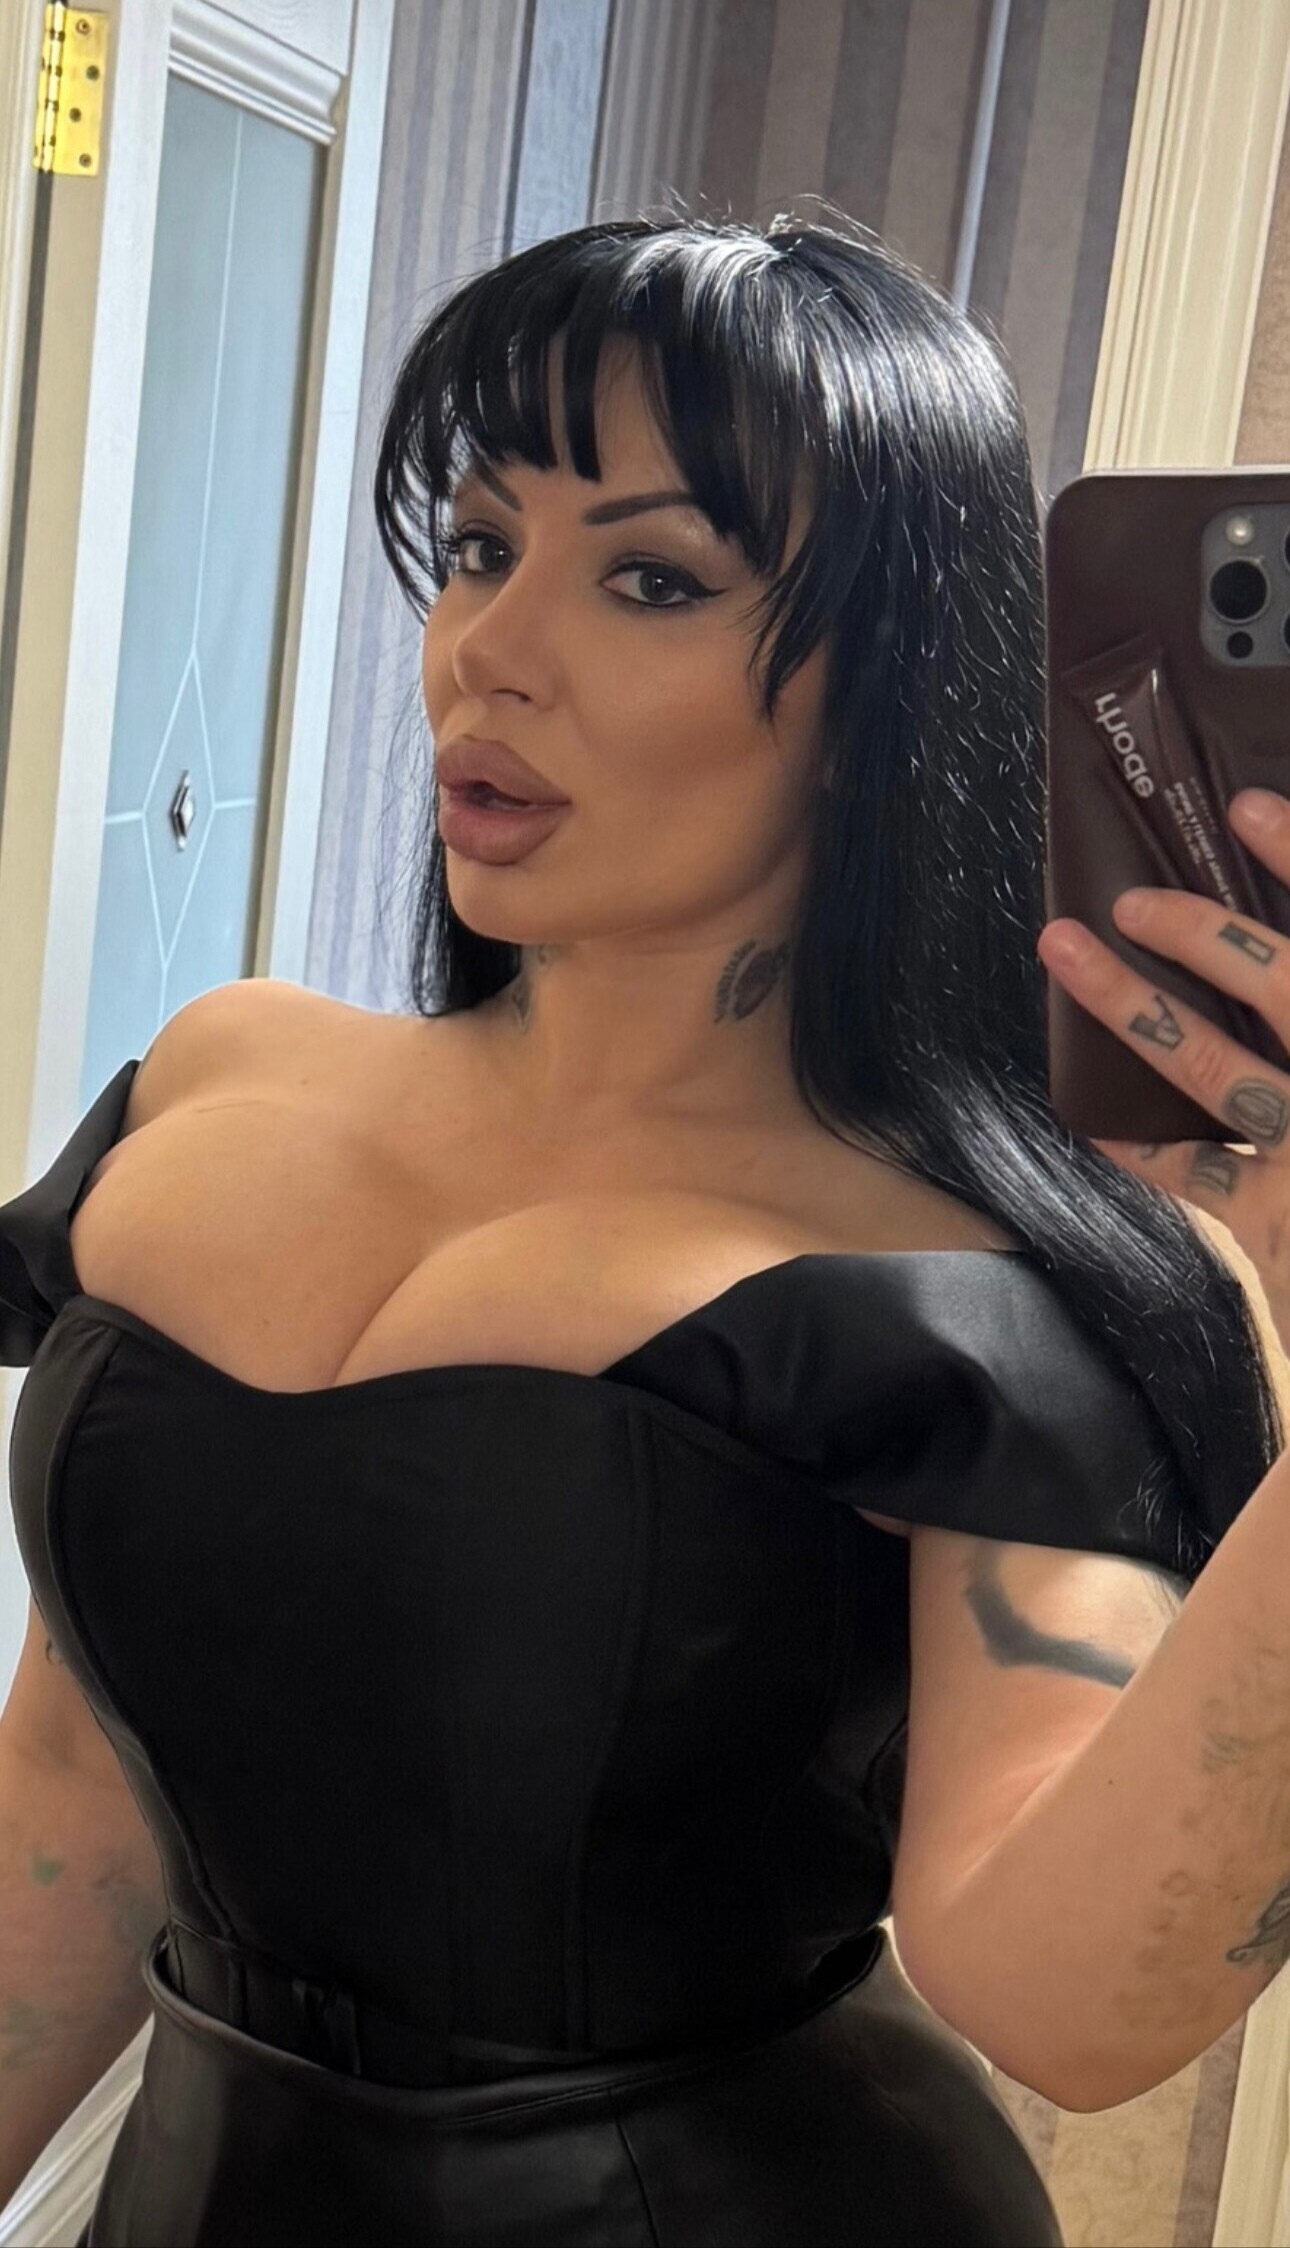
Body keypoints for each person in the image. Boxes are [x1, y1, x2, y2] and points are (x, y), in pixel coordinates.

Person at [2, 205, 1289, 2247]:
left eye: (654, 578)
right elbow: (76, 1804)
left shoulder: (985, 1288)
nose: (487, 651)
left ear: (888, 698)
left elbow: (1061, 1998)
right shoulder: (220, 1078)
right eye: (480, 542)